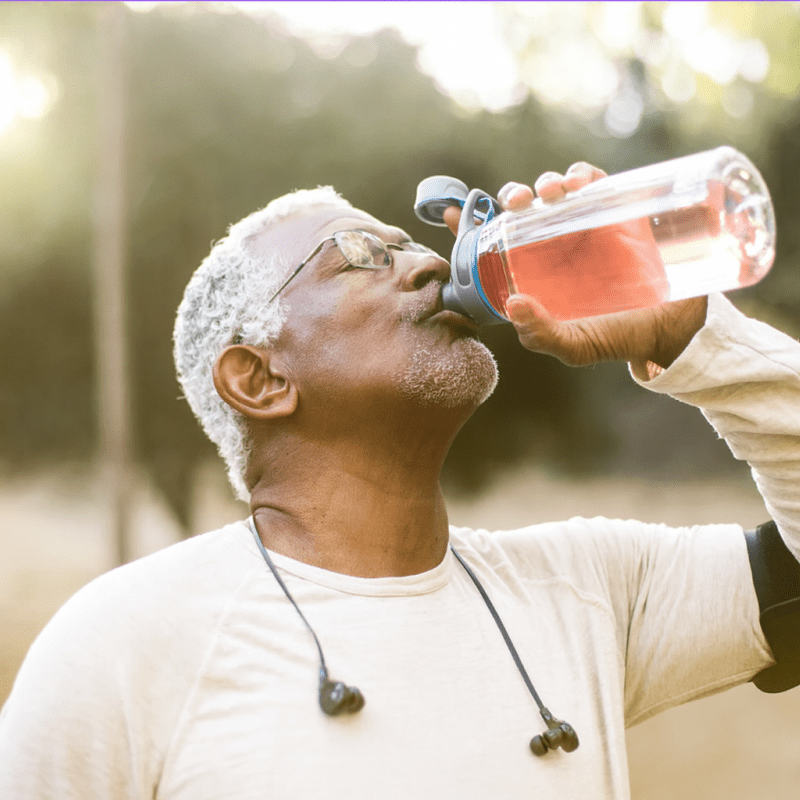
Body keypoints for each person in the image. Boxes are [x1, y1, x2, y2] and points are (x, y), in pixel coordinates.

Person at [1, 162, 799, 799]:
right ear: (259, 378)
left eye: (409, 244)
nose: (424, 263)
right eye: (360, 255)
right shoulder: (120, 645)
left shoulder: (590, 589)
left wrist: (690, 336)